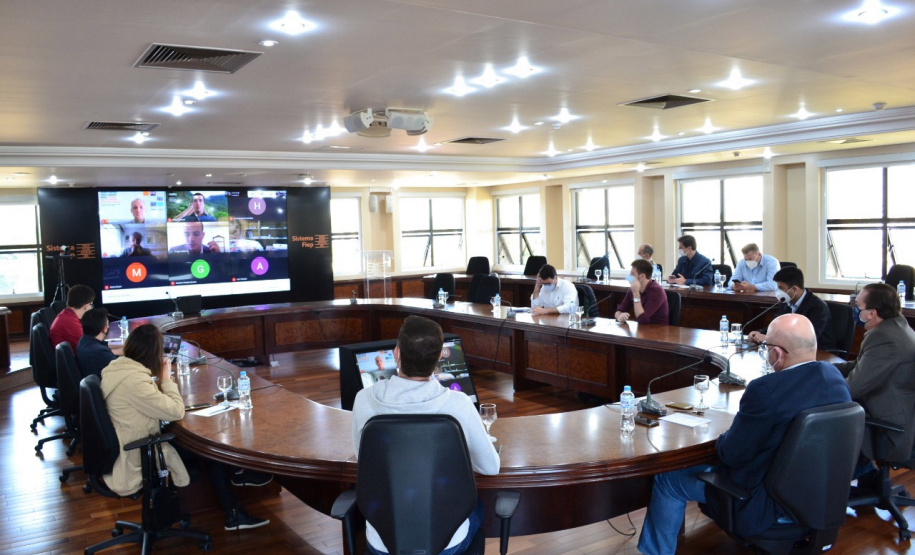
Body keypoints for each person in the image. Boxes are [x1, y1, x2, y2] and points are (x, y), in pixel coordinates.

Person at [637, 314, 851, 555]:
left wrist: (727, 433)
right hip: (816, 498)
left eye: (766, 347)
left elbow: (731, 455)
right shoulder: (835, 378)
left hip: (762, 502)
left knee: (669, 480)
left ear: (777, 354)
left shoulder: (766, 391)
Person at [351, 316, 499, 555]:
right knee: (478, 509)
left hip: (382, 542)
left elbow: (363, 458)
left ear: (396, 353)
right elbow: (490, 468)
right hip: (446, 543)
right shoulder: (459, 405)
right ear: (440, 355)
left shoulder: (364, 400)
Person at [100, 324, 270, 531]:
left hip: (128, 444)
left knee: (197, 442)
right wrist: (165, 377)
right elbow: (175, 411)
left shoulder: (117, 370)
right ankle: (233, 513)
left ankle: (237, 473)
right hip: (140, 454)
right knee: (209, 451)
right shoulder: (135, 381)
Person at [836, 283, 915, 465]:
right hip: (894, 414)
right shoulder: (896, 325)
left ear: (872, 313)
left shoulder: (884, 338)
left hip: (889, 431)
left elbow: (852, 388)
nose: (856, 311)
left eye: (858, 307)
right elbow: (859, 365)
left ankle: (850, 481)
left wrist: (823, 385)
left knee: (825, 420)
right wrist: (823, 369)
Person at [747, 266, 836, 351]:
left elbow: (809, 339)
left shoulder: (818, 307)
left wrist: (771, 339)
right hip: (791, 350)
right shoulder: (785, 302)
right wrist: (760, 333)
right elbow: (777, 327)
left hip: (818, 351)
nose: (778, 291)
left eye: (781, 288)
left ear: (794, 289)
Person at [614, 259, 669, 325]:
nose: (629, 276)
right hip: (641, 330)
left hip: (658, 331)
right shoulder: (632, 289)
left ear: (642, 276)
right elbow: (619, 311)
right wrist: (619, 316)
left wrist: (636, 293)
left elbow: (642, 319)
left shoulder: (657, 291)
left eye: (632, 274)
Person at [49, 284, 95, 352]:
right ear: (86, 306)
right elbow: (89, 347)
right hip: (79, 359)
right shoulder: (69, 322)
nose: (91, 308)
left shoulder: (67, 315)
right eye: (91, 304)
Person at [76, 307, 118, 378]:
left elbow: (106, 345)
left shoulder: (84, 341)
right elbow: (121, 367)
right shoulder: (98, 351)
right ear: (104, 329)